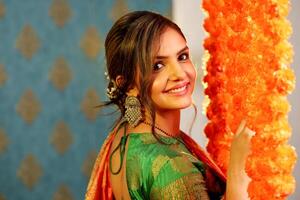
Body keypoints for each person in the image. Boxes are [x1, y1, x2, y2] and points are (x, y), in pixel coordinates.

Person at [85, 10, 255, 200]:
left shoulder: (125, 136)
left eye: (182, 57)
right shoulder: (171, 167)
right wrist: (238, 173)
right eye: (157, 66)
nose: (180, 74)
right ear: (128, 85)